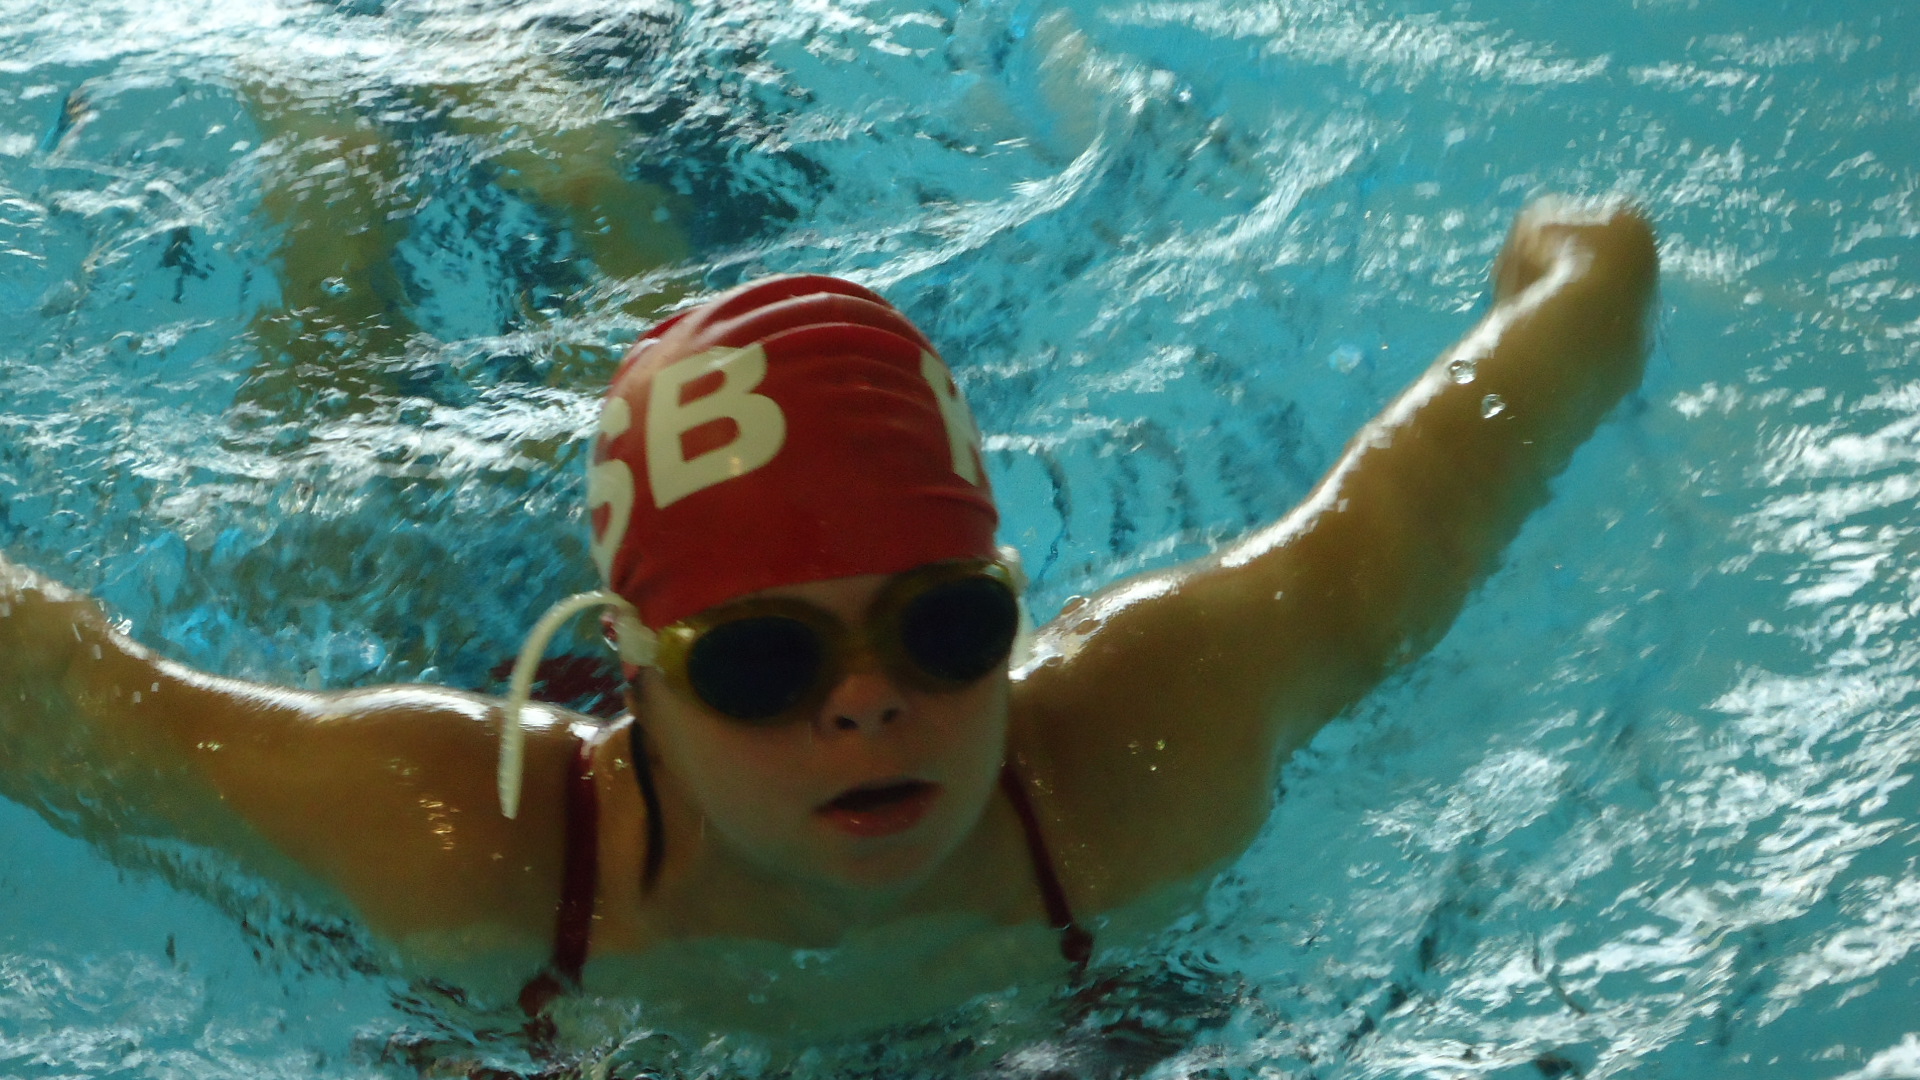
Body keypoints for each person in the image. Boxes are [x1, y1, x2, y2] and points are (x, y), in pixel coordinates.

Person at [0, 197, 1659, 1039]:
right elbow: (67, 691)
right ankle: (339, 171)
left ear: (1010, 613)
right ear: (644, 678)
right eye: (767, 661)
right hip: (507, 651)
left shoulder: (1139, 752)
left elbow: (1415, 508)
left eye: (938, 634)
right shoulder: (467, 832)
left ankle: (590, 169)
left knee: (653, 275)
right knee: (305, 504)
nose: (864, 709)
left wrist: (1583, 272)